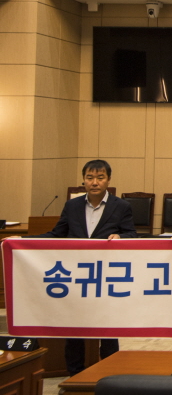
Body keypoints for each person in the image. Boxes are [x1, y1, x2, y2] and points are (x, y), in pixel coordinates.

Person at [21, 160, 136, 375]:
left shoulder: (121, 206)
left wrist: (121, 236)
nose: (94, 182)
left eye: (100, 178)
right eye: (90, 178)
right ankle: (75, 374)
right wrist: (22, 241)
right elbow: (57, 235)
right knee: (74, 328)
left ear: (108, 180)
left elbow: (132, 234)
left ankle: (110, 373)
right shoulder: (72, 206)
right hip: (76, 275)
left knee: (108, 327)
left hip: (106, 275)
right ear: (83, 180)